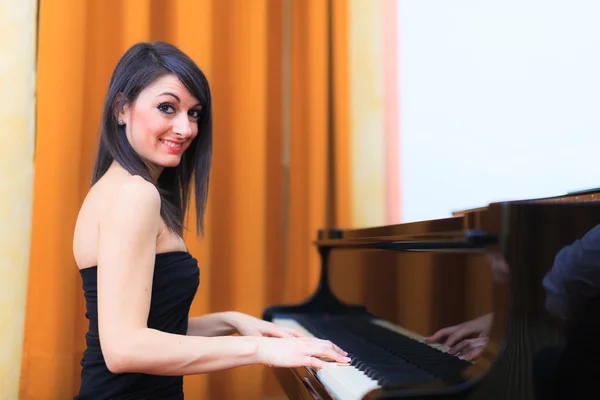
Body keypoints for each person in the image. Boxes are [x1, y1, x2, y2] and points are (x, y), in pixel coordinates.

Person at [72, 41, 349, 399]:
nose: (185, 129)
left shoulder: (114, 187)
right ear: (122, 108)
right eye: (167, 108)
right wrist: (259, 350)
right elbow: (124, 349)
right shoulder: (135, 195)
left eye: (194, 113)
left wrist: (232, 321)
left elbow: (153, 329)